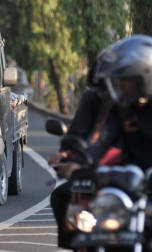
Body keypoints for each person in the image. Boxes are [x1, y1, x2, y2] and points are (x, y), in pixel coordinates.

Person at [55, 34, 152, 249]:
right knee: (100, 228)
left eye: (125, 81)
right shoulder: (118, 108)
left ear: (146, 76)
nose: (120, 87)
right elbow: (100, 137)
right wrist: (79, 162)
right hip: (131, 186)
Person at [48, 48, 115, 248]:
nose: (110, 91)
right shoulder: (97, 102)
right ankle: (79, 246)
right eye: (105, 85)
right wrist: (69, 156)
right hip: (99, 171)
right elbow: (88, 136)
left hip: (147, 177)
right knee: (62, 196)